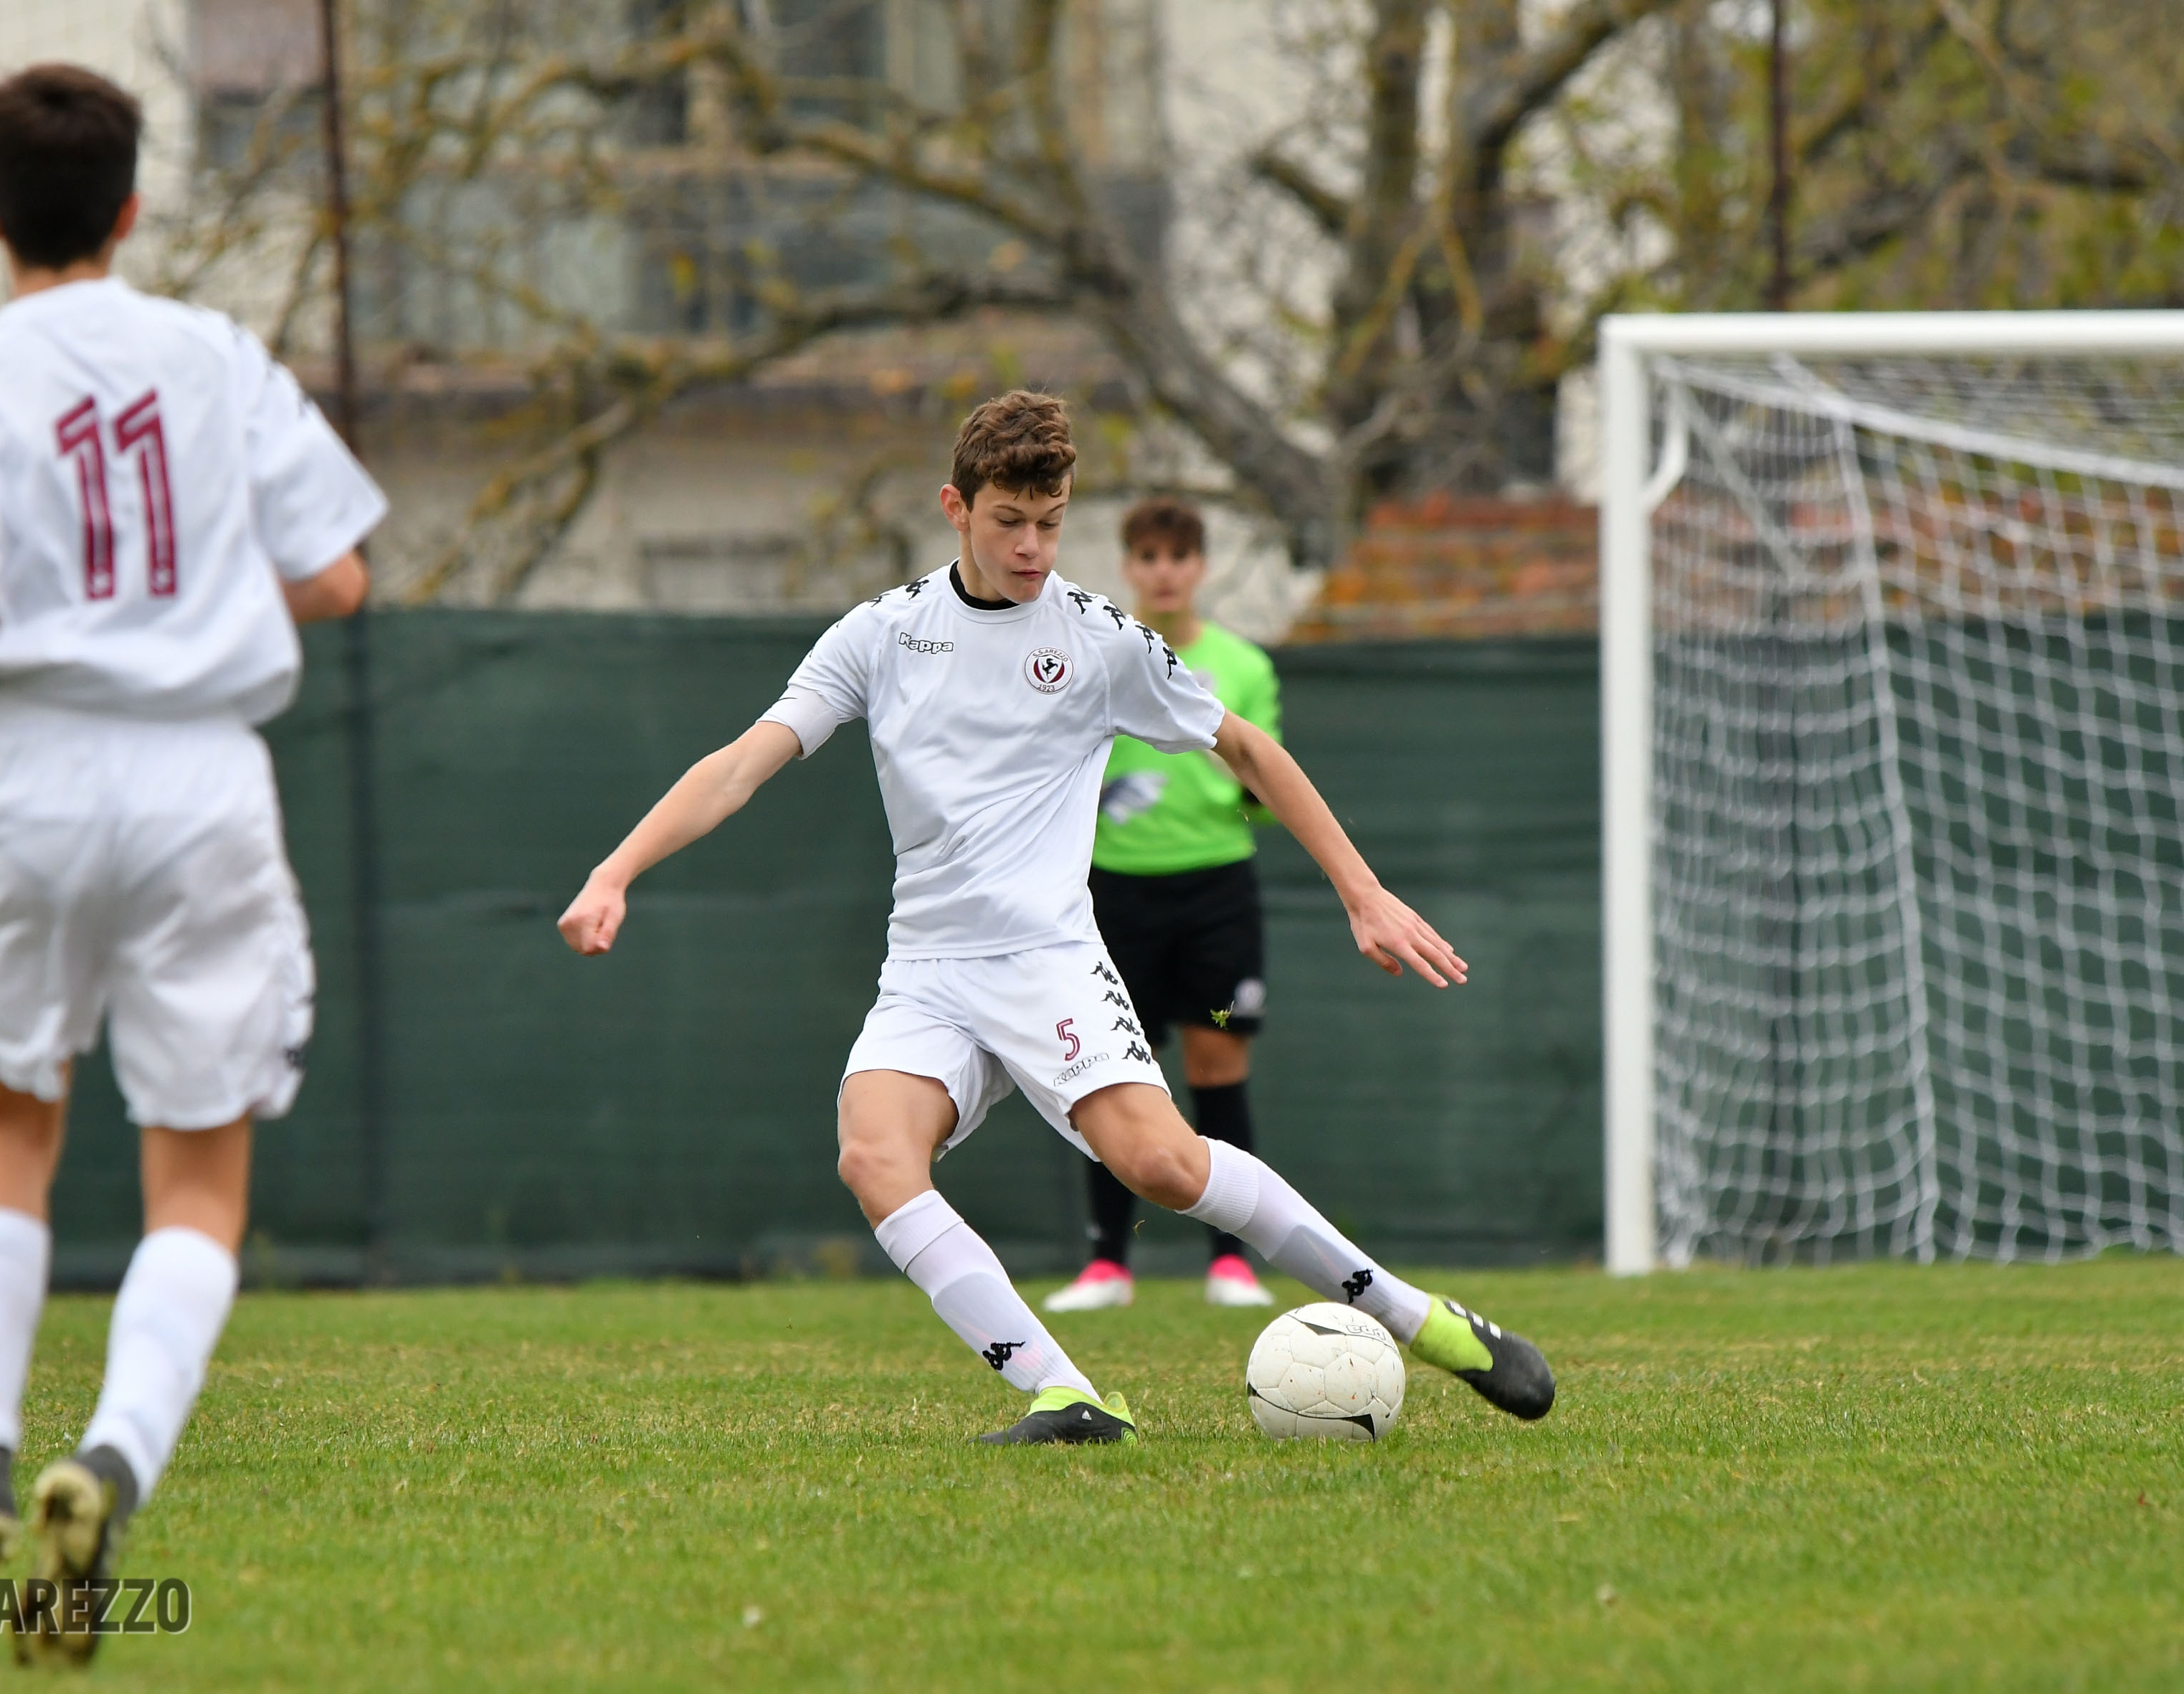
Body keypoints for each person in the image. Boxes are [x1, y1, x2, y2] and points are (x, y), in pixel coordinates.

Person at [560, 390, 1554, 1444]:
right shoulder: (882, 633)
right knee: (872, 1157)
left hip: (1049, 962)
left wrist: (1362, 892)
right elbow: (737, 767)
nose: (1032, 546)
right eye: (1008, 522)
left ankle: (1421, 1319)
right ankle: (1068, 1393)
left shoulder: (1097, 638)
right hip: (929, 971)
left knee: (1164, 1168)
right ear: (956, 507)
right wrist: (616, 870)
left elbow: (1247, 750)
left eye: (1051, 521)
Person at [0, 65, 381, 1660]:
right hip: (199, 780)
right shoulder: (216, 356)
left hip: (26, 768)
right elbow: (343, 573)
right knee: (197, 1174)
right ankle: (103, 1462)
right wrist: (201, 615)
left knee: (14, 1124)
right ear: (133, 207)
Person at [1044, 496, 1281, 1312]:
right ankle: (1108, 1262)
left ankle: (1232, 1263)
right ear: (1129, 566)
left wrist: (1230, 777)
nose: (1165, 572)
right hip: (1113, 898)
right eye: (1149, 557)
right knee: (1109, 1075)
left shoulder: (1244, 666)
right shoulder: (1100, 653)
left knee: (1217, 1066)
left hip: (1216, 893)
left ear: (1201, 566)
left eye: (1179, 557)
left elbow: (1264, 793)